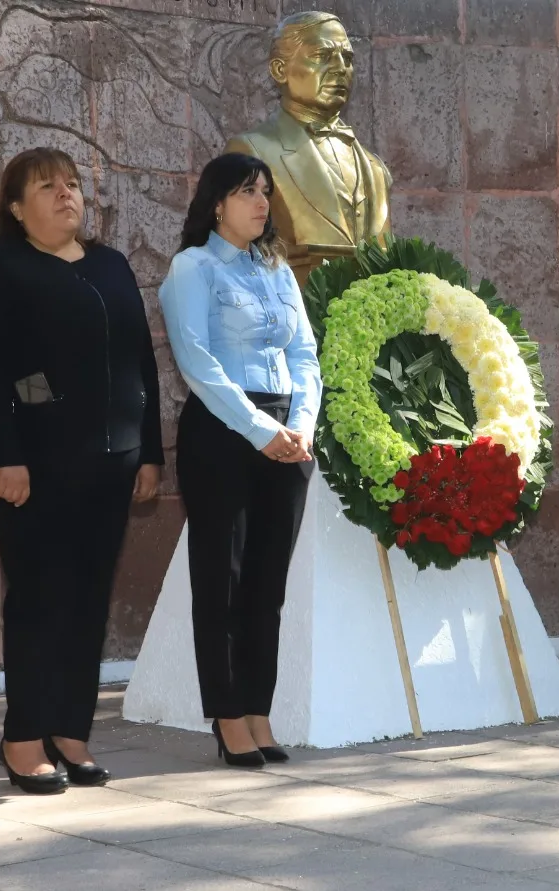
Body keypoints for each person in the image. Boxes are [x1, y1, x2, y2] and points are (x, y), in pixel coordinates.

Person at [0, 148, 164, 794]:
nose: (66, 195)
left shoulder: (111, 265)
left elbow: (141, 365)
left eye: (72, 185)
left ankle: (71, 729)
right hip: (36, 464)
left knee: (89, 597)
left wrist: (150, 450)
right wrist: (4, 455)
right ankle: (23, 736)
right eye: (47, 187)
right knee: (40, 596)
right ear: (15, 207)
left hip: (115, 461)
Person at [160, 152, 321, 766]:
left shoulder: (277, 268)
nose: (262, 203)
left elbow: (305, 355)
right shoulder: (192, 267)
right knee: (221, 578)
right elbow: (198, 364)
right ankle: (227, 716)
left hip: (289, 435)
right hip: (225, 432)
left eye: (266, 192)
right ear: (217, 202)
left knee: (267, 583)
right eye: (248, 192)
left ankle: (259, 707)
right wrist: (260, 430)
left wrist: (300, 425)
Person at [226, 10, 392, 284]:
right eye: (323, 56)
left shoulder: (375, 169)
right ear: (280, 70)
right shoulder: (252, 151)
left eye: (347, 58)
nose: (341, 68)